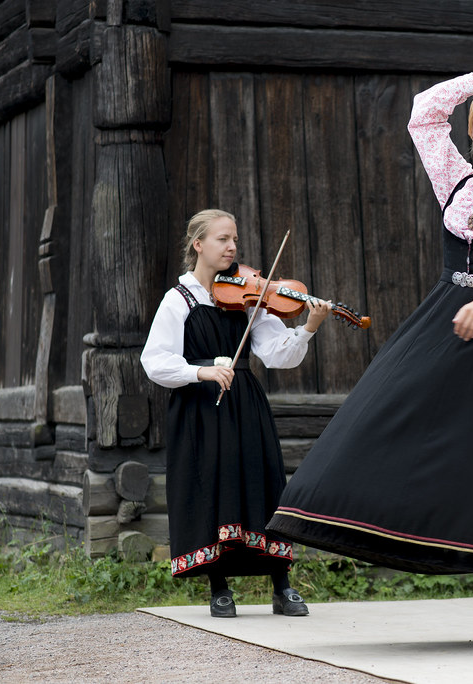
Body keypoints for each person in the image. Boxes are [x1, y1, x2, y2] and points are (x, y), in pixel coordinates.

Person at [265, 72, 473, 648]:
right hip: (446, 313)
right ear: (472, 131)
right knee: (384, 410)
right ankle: (375, 527)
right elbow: (422, 114)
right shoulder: (457, 183)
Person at [141, 209, 332, 618]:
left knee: (263, 482)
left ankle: (282, 585)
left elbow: (278, 354)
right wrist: (201, 370)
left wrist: (310, 326)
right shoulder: (180, 300)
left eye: (235, 240)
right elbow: (154, 361)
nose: (231, 247)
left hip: (244, 400)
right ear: (198, 245)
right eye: (223, 239)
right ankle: (219, 586)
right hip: (200, 407)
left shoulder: (247, 296)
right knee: (212, 487)